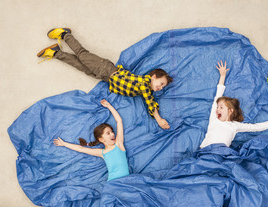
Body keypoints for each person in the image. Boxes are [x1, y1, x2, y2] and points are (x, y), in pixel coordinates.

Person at [37, 28, 173, 130]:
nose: (160, 88)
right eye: (161, 83)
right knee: (82, 55)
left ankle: (57, 52)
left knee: (79, 65)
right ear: (153, 76)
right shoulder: (144, 83)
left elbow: (149, 98)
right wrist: (159, 119)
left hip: (105, 76)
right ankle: (65, 34)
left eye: (162, 87)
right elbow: (150, 102)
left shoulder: (144, 87)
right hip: (106, 69)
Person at [200, 61, 268, 149]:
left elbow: (256, 127)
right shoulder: (214, 118)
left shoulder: (235, 126)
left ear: (230, 111)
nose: (217, 109)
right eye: (217, 107)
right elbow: (217, 96)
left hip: (221, 153)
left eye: (221, 107)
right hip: (206, 152)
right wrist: (222, 76)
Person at [53, 99, 129, 181]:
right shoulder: (102, 153)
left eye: (112, 132)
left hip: (125, 181)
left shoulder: (118, 144)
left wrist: (109, 106)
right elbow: (81, 149)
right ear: (101, 139)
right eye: (108, 133)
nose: (113, 134)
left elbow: (119, 121)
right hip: (112, 182)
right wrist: (64, 144)